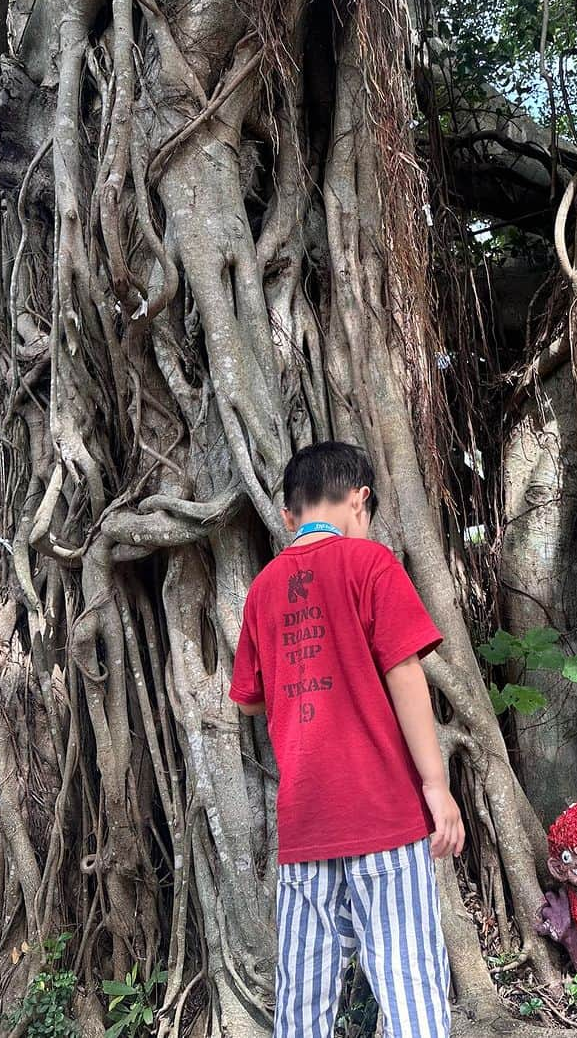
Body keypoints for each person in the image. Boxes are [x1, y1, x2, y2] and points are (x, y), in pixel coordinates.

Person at [230, 440, 464, 1038]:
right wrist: (436, 787)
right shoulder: (372, 566)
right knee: (411, 989)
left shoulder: (262, 591)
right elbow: (406, 673)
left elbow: (251, 698)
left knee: (302, 1001)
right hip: (383, 814)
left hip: (306, 825)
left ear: (288, 516)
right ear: (361, 501)